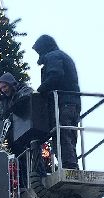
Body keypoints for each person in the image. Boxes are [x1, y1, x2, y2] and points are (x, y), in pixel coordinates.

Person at [31, 35, 80, 169]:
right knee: (69, 134)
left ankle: (69, 166)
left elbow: (55, 75)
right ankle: (71, 164)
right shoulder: (61, 56)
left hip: (62, 102)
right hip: (73, 102)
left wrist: (39, 91)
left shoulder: (53, 56)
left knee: (61, 134)